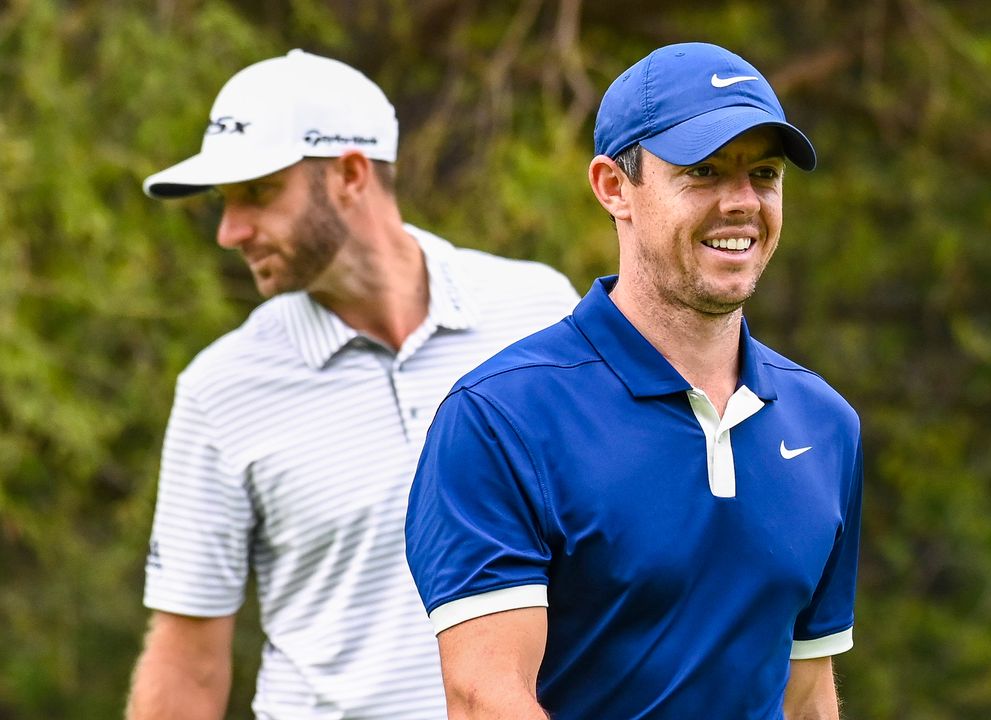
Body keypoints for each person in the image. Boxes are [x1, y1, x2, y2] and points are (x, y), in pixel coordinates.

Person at [405, 42, 864, 719]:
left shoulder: (824, 424)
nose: (741, 203)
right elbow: (486, 699)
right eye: (704, 172)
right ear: (614, 187)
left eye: (763, 174)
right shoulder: (502, 418)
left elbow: (805, 692)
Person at [126, 49, 579, 719]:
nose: (230, 231)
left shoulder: (538, 310)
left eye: (256, 193)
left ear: (350, 173)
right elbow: (187, 662)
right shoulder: (220, 389)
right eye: (226, 203)